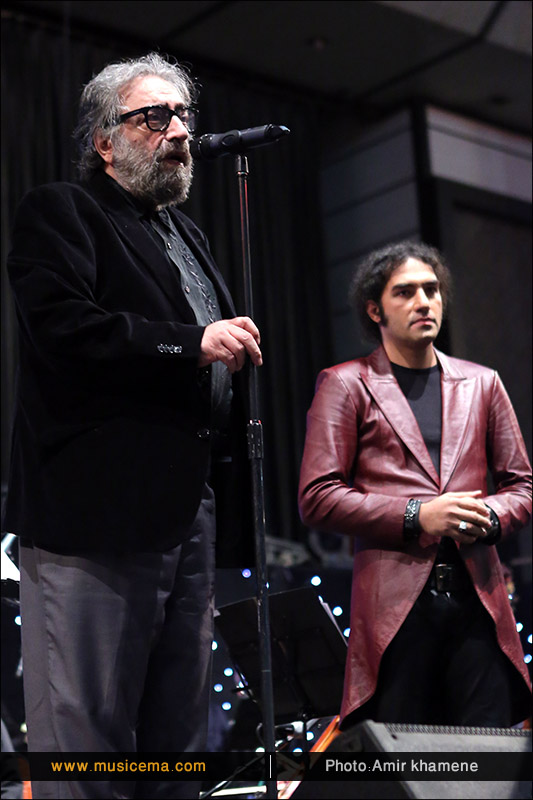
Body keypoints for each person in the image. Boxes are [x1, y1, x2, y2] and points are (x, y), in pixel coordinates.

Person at [3, 53, 262, 799]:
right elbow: (64, 328)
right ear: (104, 142)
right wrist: (192, 342)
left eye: (182, 115)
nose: (178, 131)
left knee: (175, 745)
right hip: (97, 512)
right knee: (87, 742)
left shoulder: (185, 234)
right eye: (154, 117)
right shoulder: (63, 210)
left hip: (187, 513)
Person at [298, 241, 532, 729]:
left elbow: (522, 486)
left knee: (486, 758)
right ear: (375, 310)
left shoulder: (483, 383)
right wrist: (417, 515)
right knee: (409, 757)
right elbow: (317, 496)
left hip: (478, 603)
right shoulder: (346, 383)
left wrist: (490, 517)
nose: (423, 302)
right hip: (395, 611)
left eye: (431, 289)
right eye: (405, 292)